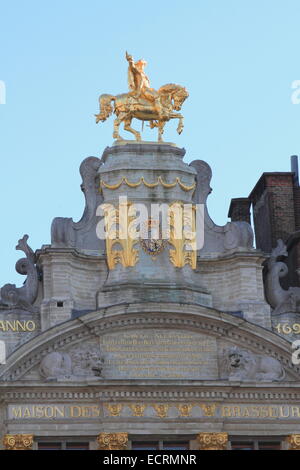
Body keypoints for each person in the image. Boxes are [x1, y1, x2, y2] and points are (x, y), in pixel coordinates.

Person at [126, 52, 163, 118]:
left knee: (154, 100)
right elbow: (132, 67)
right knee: (156, 97)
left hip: (147, 89)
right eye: (140, 65)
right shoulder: (137, 73)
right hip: (143, 90)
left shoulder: (144, 75)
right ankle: (160, 113)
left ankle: (152, 120)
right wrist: (130, 61)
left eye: (143, 65)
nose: (142, 67)